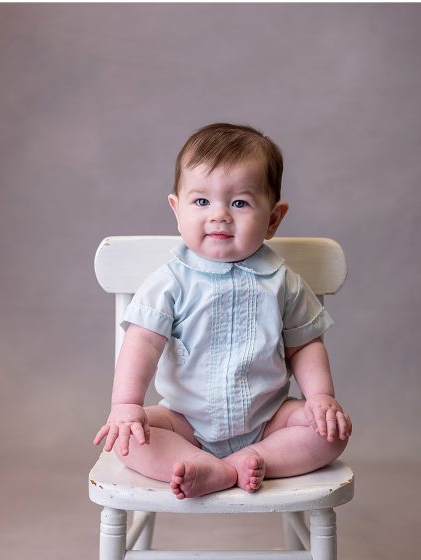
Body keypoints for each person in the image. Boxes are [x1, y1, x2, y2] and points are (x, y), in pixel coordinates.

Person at [94, 123, 351, 499]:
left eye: (239, 203)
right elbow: (142, 344)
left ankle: (244, 462)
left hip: (269, 421)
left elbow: (305, 346)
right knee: (127, 438)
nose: (219, 215)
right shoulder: (169, 281)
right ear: (176, 209)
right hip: (184, 422)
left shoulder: (283, 282)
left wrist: (320, 398)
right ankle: (201, 462)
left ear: (274, 219)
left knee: (330, 435)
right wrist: (126, 405)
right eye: (201, 202)